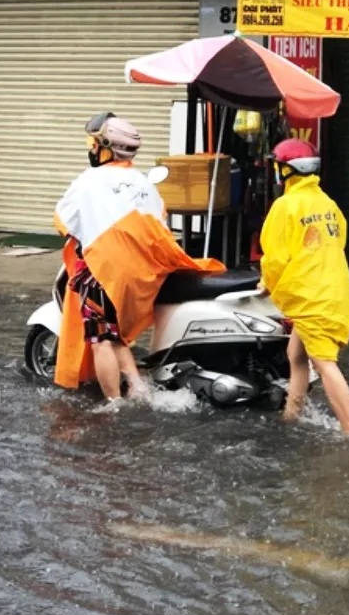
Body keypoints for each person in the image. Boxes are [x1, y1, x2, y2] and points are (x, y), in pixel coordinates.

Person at [53, 113, 223, 404]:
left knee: (101, 338)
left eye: (93, 143)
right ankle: (137, 385)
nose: (91, 149)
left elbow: (63, 220)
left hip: (103, 271)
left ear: (105, 147)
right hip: (142, 275)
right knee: (115, 333)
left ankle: (113, 402)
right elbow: (159, 224)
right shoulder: (143, 182)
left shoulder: (88, 180)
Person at [259, 138, 349, 435]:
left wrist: (268, 283)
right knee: (297, 355)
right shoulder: (326, 202)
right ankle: (292, 413)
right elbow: (337, 240)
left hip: (311, 295)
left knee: (325, 363)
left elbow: (275, 257)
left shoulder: (286, 205)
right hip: (334, 289)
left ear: (287, 170)